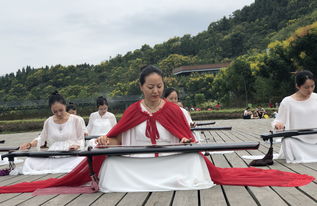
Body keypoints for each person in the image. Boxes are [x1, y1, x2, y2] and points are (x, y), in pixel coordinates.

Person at [0, 67, 314, 194]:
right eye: (150, 87)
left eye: (159, 86)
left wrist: (184, 138)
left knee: (193, 159)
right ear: (141, 87)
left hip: (170, 157)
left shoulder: (174, 109)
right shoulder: (133, 110)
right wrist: (108, 139)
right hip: (136, 159)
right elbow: (119, 136)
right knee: (111, 160)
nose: (155, 91)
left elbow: (185, 136)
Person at [17, 91, 86, 175]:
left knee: (84, 161)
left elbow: (81, 139)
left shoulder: (76, 120)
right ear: (51, 110)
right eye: (55, 111)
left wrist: (76, 146)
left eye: (61, 110)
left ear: (65, 106)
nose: (59, 113)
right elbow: (41, 139)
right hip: (53, 155)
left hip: (71, 156)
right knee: (29, 161)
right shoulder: (48, 121)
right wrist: (30, 144)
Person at [273, 70, 317, 163]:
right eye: (306, 87)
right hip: (297, 140)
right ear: (297, 86)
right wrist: (278, 125)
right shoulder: (287, 102)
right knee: (287, 141)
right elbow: (278, 121)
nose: (310, 90)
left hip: (316, 137)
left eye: (312, 86)